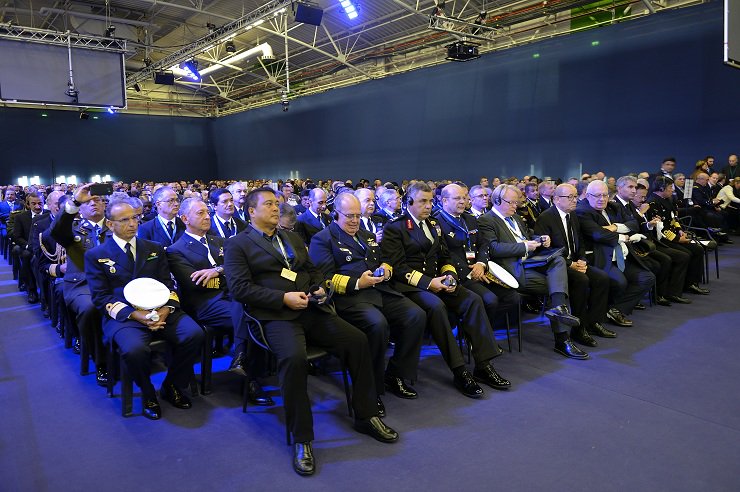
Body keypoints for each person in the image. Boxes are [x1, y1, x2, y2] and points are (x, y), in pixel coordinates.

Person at [224, 187, 399, 477]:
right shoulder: (238, 244)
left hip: (310, 309)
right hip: (275, 316)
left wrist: (318, 287)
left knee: (357, 340)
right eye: (268, 204)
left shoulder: (291, 237)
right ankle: (302, 438)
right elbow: (240, 289)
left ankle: (366, 415)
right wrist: (283, 298)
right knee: (294, 359)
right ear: (251, 211)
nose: (275, 208)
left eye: (276, 203)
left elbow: (313, 270)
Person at [381, 181, 511, 397]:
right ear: (409, 202)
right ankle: (459, 371)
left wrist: (450, 275)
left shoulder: (433, 224)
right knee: (437, 307)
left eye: (430, 201)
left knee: (473, 300)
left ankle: (483, 365)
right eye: (423, 201)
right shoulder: (395, 227)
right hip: (411, 287)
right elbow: (398, 268)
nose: (428, 206)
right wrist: (429, 283)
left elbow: (444, 257)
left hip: (438, 280)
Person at [84, 195, 204, 421]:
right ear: (110, 224)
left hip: (161, 309)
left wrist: (166, 310)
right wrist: (134, 314)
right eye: (124, 220)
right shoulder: (96, 255)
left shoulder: (153, 248)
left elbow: (168, 285)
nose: (132, 224)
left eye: (135, 218)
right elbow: (100, 297)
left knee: (195, 334)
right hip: (125, 316)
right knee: (134, 350)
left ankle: (172, 384)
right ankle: (148, 392)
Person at [309, 193, 426, 411]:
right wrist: (358, 283)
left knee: (415, 315)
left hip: (378, 290)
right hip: (349, 297)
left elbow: (383, 259)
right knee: (377, 324)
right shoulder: (322, 239)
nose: (355, 220)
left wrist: (386, 268)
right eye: (349, 216)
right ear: (336, 214)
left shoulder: (367, 235)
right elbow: (323, 279)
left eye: (358, 215)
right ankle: (370, 389)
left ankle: (396, 374)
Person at [166, 197, 272, 404]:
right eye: (200, 213)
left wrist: (219, 270)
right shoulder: (176, 250)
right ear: (185, 219)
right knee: (252, 317)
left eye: (207, 212)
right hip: (205, 303)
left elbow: (246, 268)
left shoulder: (221, 242)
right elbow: (196, 284)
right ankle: (250, 380)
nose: (207, 217)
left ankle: (243, 359)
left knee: (258, 310)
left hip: (233, 296)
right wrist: (229, 275)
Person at [478, 184, 587, 359]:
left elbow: (528, 235)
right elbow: (493, 248)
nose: (515, 206)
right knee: (560, 285)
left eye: (516, 202)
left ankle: (559, 311)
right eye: (511, 202)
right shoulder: (487, 220)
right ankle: (562, 338)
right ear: (497, 200)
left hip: (530, 263)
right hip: (511, 269)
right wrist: (524, 247)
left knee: (559, 260)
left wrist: (540, 239)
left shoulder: (516, 218)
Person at [533, 184, 614, 347]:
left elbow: (580, 242)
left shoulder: (573, 215)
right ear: (557, 199)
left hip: (575, 262)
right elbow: (545, 250)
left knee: (602, 278)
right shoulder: (546, 217)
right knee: (581, 280)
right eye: (570, 197)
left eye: (576, 196)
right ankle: (579, 329)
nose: (574, 200)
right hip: (557, 265)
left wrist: (582, 259)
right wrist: (570, 264)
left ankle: (593, 322)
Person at [434, 183, 520, 336]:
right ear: (444, 201)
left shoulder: (469, 219)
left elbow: (483, 244)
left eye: (464, 198)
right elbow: (445, 254)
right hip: (460, 275)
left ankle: (480, 331)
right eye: (457, 198)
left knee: (513, 298)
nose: (462, 201)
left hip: (480, 269)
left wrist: (481, 264)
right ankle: (479, 337)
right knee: (490, 300)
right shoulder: (437, 222)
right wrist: (471, 272)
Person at [576, 180, 656, 327]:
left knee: (647, 277)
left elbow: (634, 224)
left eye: (605, 195)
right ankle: (604, 312)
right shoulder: (582, 210)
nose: (602, 199)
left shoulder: (614, 206)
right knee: (620, 282)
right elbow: (599, 235)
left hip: (621, 254)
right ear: (587, 195)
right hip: (601, 256)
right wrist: (623, 236)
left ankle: (615, 310)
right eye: (597, 195)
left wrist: (614, 227)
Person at [12, 192, 48, 304]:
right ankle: (32, 290)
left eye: (40, 203)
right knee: (26, 256)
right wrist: (28, 246)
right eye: (34, 203)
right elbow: (17, 236)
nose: (37, 206)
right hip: (29, 247)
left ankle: (48, 292)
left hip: (48, 248)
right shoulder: (20, 217)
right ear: (28, 204)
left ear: (44, 203)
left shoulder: (50, 215)